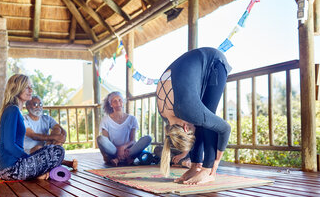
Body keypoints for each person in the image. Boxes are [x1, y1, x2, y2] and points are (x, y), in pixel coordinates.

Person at [156, 47, 232, 185]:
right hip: (194, 63)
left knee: (207, 117)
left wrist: (215, 164)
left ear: (185, 128)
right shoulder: (166, 116)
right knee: (201, 120)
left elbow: (225, 129)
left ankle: (207, 170)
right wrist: (188, 156)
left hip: (214, 63)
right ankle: (195, 166)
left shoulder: (187, 110)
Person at [0, 74, 76, 181]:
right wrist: (27, 158)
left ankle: (39, 174)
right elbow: (9, 145)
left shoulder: (13, 110)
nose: (31, 90)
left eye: (31, 87)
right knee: (58, 151)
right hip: (12, 169)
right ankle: (38, 175)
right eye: (27, 87)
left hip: (8, 168)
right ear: (17, 88)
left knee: (49, 149)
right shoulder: (12, 110)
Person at [97, 91, 152, 166]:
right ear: (111, 104)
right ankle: (125, 158)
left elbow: (132, 141)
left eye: (120, 100)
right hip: (113, 150)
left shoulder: (132, 119)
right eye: (114, 101)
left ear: (123, 102)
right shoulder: (105, 120)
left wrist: (122, 148)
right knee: (100, 139)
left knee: (148, 138)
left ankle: (119, 159)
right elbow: (107, 142)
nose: (118, 103)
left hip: (128, 150)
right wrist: (118, 149)